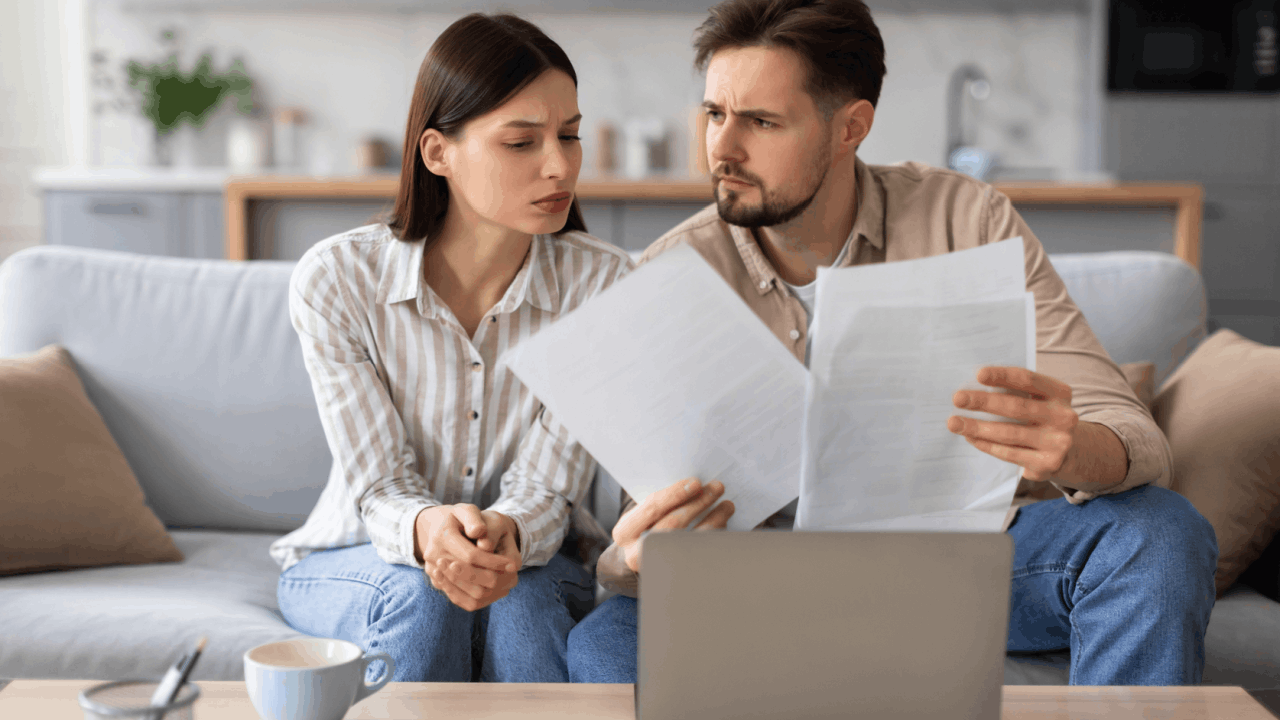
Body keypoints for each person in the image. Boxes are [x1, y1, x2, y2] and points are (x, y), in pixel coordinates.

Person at [567, 0, 1217, 686]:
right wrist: (633, 555)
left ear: (850, 127)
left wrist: (1073, 447)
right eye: (715, 115)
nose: (723, 149)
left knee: (1161, 535)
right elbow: (615, 543)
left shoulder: (967, 218)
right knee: (603, 648)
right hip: (759, 577)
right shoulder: (670, 277)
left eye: (761, 122)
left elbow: (1131, 434)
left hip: (957, 560)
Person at [269, 13, 631, 683]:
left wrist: (503, 535)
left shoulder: (604, 283)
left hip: (534, 558)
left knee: (521, 596)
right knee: (419, 595)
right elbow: (378, 489)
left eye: (570, 135)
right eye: (521, 141)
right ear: (438, 153)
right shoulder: (338, 279)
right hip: (357, 559)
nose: (560, 165)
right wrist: (433, 533)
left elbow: (550, 489)